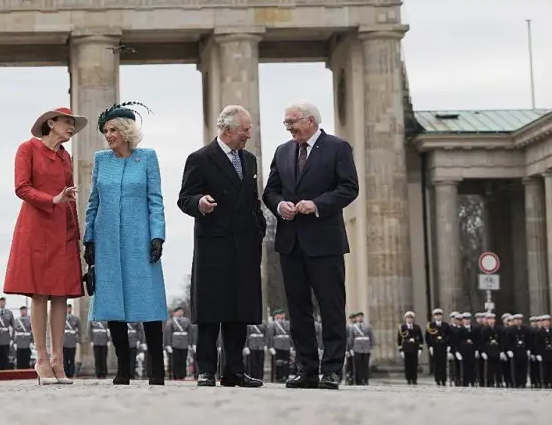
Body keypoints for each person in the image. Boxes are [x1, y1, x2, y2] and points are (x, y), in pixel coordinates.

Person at [263, 101, 358, 390]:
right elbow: (270, 191)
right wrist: (280, 206)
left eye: (292, 122)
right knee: (298, 309)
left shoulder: (338, 147)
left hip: (325, 242)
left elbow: (349, 187)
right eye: (286, 123)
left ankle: (331, 370)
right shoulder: (282, 151)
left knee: (331, 307)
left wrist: (316, 205)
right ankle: (307, 370)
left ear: (311, 121)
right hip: (290, 243)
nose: (288, 127)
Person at [177, 104, 267, 388]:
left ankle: (234, 371)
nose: (249, 134)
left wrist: (259, 229)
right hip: (214, 245)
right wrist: (199, 203)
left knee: (239, 311)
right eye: (245, 129)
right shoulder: (200, 158)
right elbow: (184, 198)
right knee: (211, 311)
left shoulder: (250, 160)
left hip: (244, 245)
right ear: (228, 130)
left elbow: (253, 200)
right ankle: (206, 370)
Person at [84, 102, 169, 386]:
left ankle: (157, 369)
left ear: (126, 131)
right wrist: (89, 238)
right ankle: (124, 368)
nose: (108, 135)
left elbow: (155, 200)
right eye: (105, 131)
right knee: (112, 303)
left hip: (139, 240)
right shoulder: (101, 160)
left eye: (112, 130)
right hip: (107, 240)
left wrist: (157, 235)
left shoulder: (146, 158)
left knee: (148, 302)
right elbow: (93, 202)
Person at [4, 106, 88, 385]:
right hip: (36, 226)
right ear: (51, 123)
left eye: (73, 124)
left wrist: (76, 233)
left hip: (62, 228)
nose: (71, 127)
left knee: (62, 294)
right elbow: (21, 187)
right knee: (39, 293)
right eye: (67, 122)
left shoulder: (66, 156)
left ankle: (58, 361)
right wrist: (52, 200)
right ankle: (41, 360)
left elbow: (70, 195)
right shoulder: (27, 148)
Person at [398, 312, 423, 385]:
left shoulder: (416, 327)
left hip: (414, 347)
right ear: (405, 319)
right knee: (407, 365)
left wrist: (420, 349)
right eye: (408, 318)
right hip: (406, 348)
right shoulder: (402, 327)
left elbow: (421, 338)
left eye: (411, 318)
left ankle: (414, 378)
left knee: (414, 364)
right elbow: (399, 339)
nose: (409, 319)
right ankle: (408, 379)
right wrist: (401, 350)